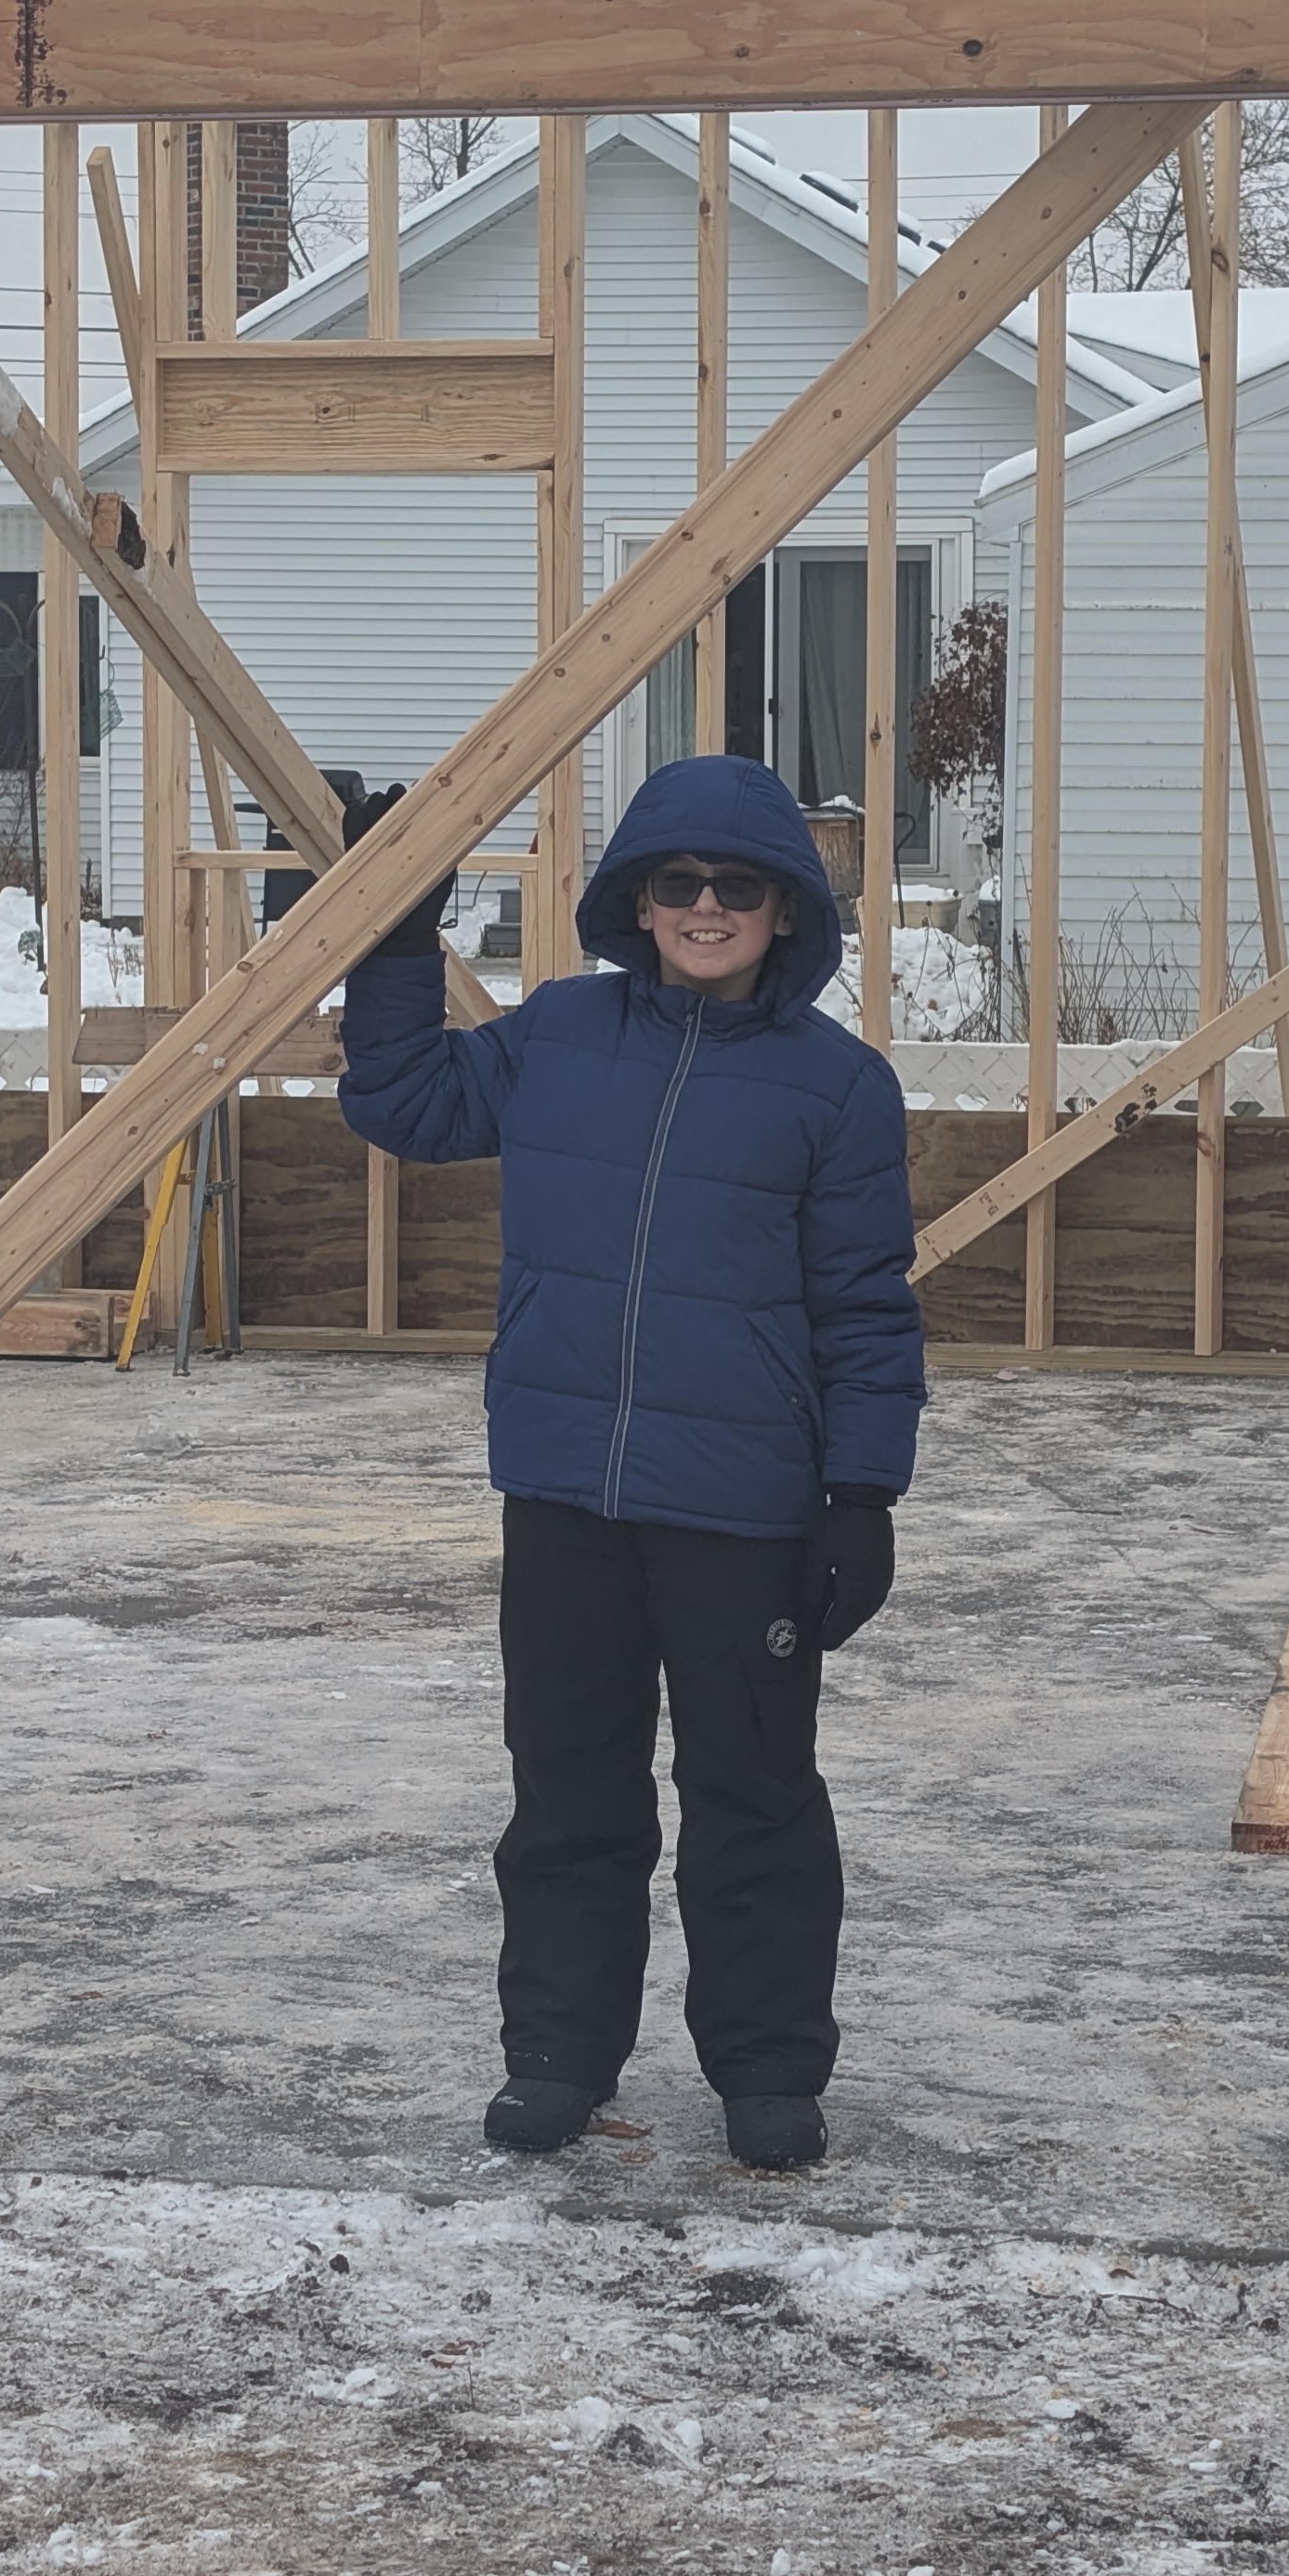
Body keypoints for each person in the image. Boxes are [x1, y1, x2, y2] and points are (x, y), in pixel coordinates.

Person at [335, 750, 922, 2174]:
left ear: (786, 912)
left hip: (742, 1513)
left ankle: (771, 2072)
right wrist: (390, 927)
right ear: (636, 902)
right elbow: (403, 1102)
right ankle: (557, 2055)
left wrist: (861, 1494)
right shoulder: (553, 1039)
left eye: (739, 887)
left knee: (754, 1796)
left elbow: (866, 1304)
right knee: (569, 1794)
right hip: (564, 1493)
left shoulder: (837, 1089)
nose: (707, 907)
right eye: (679, 883)